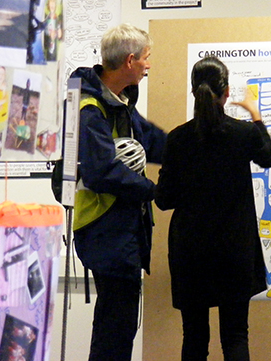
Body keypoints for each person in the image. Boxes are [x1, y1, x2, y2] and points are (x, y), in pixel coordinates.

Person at [155, 56, 271, 361]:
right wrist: (256, 116)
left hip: (190, 251)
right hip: (235, 249)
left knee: (194, 337)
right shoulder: (243, 133)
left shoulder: (178, 138)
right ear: (226, 91)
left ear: (193, 91)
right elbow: (268, 157)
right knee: (235, 335)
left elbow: (164, 199)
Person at [69, 23, 166, 361]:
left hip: (120, 233)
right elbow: (102, 173)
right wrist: (153, 190)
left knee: (119, 326)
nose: (148, 65)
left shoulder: (118, 103)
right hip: (105, 231)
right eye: (145, 58)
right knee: (115, 329)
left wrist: (194, 149)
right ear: (129, 61)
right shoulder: (90, 109)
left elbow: (151, 140)